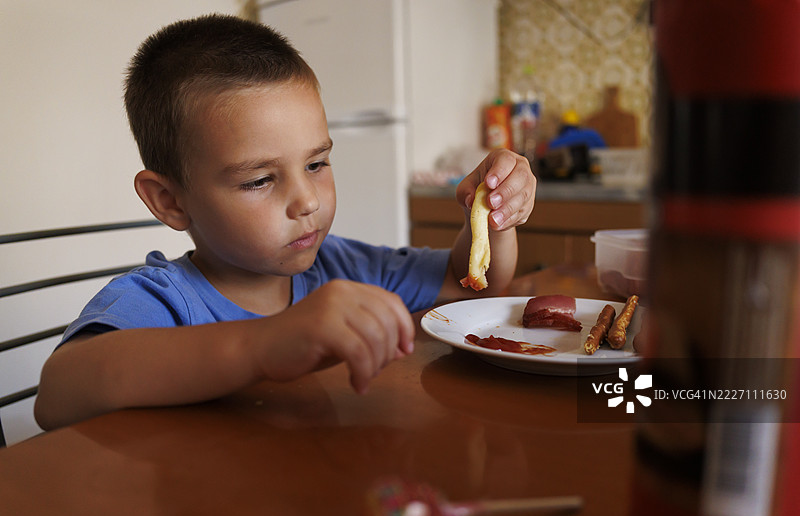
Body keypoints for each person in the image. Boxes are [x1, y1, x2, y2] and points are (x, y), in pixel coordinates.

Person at [34, 14, 536, 430]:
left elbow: (469, 285)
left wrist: (495, 213)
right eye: (259, 181)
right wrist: (264, 345)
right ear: (169, 200)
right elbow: (58, 394)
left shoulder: (345, 269)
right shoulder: (163, 301)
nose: (306, 201)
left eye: (316, 164)